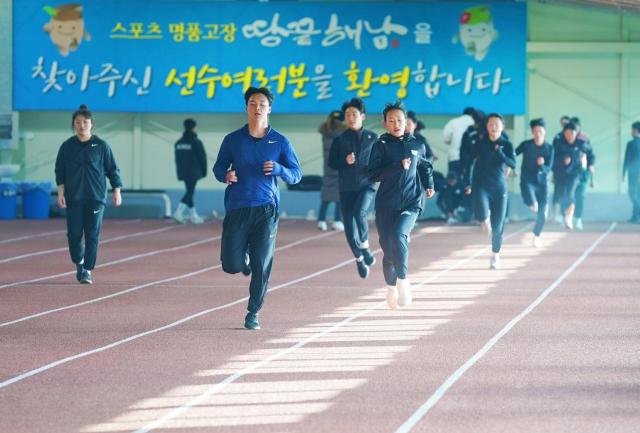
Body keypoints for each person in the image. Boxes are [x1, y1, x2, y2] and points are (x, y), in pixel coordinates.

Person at [213, 87, 301, 330]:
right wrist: (226, 175)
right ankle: (244, 258)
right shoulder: (233, 140)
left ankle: (253, 312)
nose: (257, 107)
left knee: (263, 264)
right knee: (231, 265)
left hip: (266, 210)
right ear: (246, 108)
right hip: (237, 207)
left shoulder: (280, 141)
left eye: (262, 103)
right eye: (252, 103)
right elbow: (218, 168)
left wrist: (280, 170)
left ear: (269, 108)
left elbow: (296, 175)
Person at [368, 101, 434, 309]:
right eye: (391, 120)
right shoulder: (381, 145)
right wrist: (398, 166)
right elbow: (373, 174)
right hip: (386, 204)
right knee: (388, 253)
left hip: (411, 201)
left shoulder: (417, 145)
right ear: (385, 123)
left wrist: (429, 185)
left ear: (406, 122)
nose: (396, 124)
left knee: (399, 235)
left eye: (400, 120)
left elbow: (425, 166)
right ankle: (390, 287)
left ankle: (403, 282)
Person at [55, 104, 123, 284]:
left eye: (85, 122)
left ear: (92, 124)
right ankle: (79, 261)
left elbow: (112, 169)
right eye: (78, 122)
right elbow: (59, 171)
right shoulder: (67, 146)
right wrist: (61, 192)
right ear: (74, 125)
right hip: (74, 197)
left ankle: (87, 270)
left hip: (96, 198)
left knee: (92, 234)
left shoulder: (101, 146)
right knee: (74, 235)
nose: (82, 125)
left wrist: (117, 191)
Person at [328, 97, 378, 279]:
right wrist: (344, 161)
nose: (350, 117)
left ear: (362, 116)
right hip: (346, 188)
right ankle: (358, 258)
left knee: (360, 212)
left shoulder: (373, 138)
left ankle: (365, 246)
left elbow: (379, 160)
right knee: (349, 228)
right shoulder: (339, 139)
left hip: (367, 185)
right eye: (347, 114)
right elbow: (331, 163)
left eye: (354, 114)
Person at [464, 113, 516, 269]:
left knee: (498, 226)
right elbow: (468, 163)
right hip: (481, 185)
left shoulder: (506, 144)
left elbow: (513, 164)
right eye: (491, 124)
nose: (493, 127)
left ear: (502, 127)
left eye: (497, 125)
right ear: (487, 127)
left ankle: (495, 255)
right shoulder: (479, 144)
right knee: (481, 213)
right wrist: (467, 183)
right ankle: (483, 219)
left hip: (499, 188)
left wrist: (501, 153)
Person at [515, 118, 554, 247]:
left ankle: (536, 235)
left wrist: (542, 166)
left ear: (545, 132)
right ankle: (531, 202)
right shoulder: (526, 145)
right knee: (532, 204)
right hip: (527, 181)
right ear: (532, 132)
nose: (538, 134)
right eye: (535, 131)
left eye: (540, 131)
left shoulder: (549, 148)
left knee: (543, 215)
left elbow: (549, 168)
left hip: (542, 183)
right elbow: (513, 153)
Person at [553, 122, 590, 230]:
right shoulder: (558, 143)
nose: (569, 136)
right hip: (560, 173)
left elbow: (590, 154)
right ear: (564, 133)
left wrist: (588, 163)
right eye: (567, 133)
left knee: (570, 193)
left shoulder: (582, 144)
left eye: (572, 133)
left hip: (575, 173)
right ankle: (566, 216)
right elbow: (552, 158)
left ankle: (570, 218)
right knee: (561, 196)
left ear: (576, 133)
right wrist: (563, 160)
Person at [173, 118, 208, 224]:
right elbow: (202, 158)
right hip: (194, 172)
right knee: (190, 192)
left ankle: (193, 216)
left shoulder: (178, 143)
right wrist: (204, 171)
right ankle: (178, 212)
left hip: (183, 171)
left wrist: (179, 172)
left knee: (189, 192)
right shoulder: (196, 142)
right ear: (194, 127)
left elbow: (177, 159)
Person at [317, 110, 346, 231]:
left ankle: (321, 220)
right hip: (339, 167)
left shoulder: (325, 132)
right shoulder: (342, 134)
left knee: (326, 197)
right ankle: (337, 220)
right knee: (340, 196)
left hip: (327, 168)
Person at [570, 117, 595, 230]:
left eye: (576, 127)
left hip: (582, 173)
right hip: (568, 173)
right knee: (568, 195)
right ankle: (567, 216)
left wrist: (590, 165)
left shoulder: (584, 139)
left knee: (580, 196)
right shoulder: (564, 139)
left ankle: (578, 218)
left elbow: (591, 154)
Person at [443, 107, 475, 180]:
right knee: (469, 183)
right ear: (473, 115)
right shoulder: (475, 123)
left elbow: (446, 139)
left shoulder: (453, 122)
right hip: (470, 159)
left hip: (455, 157)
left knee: (454, 183)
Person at [622, 121, 640, 222]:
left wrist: (624, 172)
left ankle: (637, 214)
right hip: (633, 173)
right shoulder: (631, 143)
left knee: (633, 193)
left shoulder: (632, 144)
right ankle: (635, 216)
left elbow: (627, 159)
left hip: (635, 174)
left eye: (632, 130)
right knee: (636, 194)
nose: (631, 132)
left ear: (636, 131)